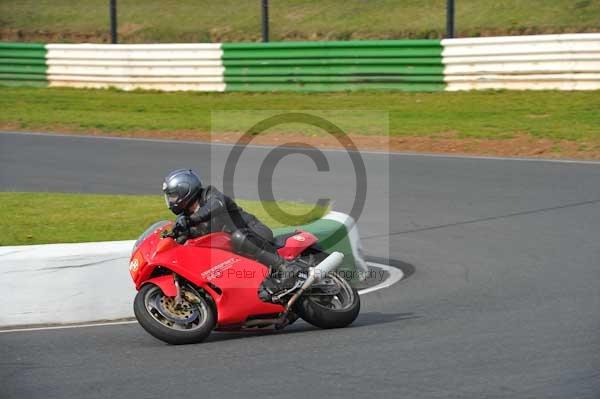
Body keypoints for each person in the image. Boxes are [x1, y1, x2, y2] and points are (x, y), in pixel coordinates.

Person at [162, 169, 298, 297]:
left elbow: (216, 206)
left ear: (185, 190)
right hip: (232, 254)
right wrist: (171, 237)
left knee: (238, 238)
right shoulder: (184, 219)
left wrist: (192, 220)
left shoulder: (210, 195)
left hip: (254, 233)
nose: (171, 201)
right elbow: (180, 244)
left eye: (173, 196)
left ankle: (285, 267)